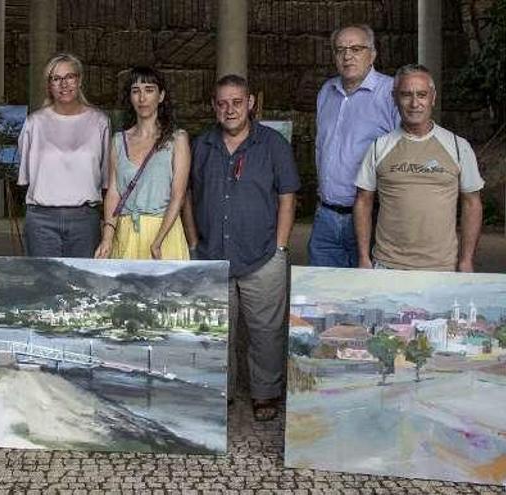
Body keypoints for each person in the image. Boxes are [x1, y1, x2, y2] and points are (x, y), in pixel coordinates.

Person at [186, 75, 300, 421]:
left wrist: (280, 246)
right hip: (212, 254)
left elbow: (287, 196)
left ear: (251, 103)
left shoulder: (273, 144)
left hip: (263, 255)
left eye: (237, 102)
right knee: (217, 329)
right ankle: (223, 390)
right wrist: (193, 242)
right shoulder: (202, 145)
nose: (229, 109)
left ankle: (265, 394)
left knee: (266, 331)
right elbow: (187, 196)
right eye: (222, 103)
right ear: (213, 106)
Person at [354, 64, 484, 272]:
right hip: (388, 266)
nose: (415, 103)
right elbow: (363, 201)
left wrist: (466, 260)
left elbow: (472, 204)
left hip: (442, 268)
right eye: (406, 95)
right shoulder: (379, 146)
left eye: (421, 95)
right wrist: (363, 258)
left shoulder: (459, 147)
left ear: (433, 97)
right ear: (394, 98)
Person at [310, 24, 400, 267]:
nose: (347, 56)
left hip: (371, 217)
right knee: (323, 297)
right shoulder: (326, 92)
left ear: (373, 54)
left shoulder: (391, 92)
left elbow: (403, 155)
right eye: (340, 50)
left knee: (368, 299)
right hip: (326, 217)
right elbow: (321, 148)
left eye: (356, 49)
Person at [18, 53, 110, 258]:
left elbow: (106, 178)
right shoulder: (34, 122)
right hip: (41, 218)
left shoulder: (99, 121)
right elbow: (24, 176)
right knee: (44, 286)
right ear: (49, 84)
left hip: (85, 219)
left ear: (79, 80)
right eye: (56, 78)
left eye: (70, 76)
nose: (64, 84)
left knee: (81, 287)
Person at [94, 66, 190, 260]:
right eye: (136, 91)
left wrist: (158, 240)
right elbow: (113, 192)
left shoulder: (177, 139)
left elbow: (178, 196)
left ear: (161, 96)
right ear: (130, 97)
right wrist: (107, 237)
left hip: (164, 232)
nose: (142, 98)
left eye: (149, 90)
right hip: (126, 231)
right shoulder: (118, 141)